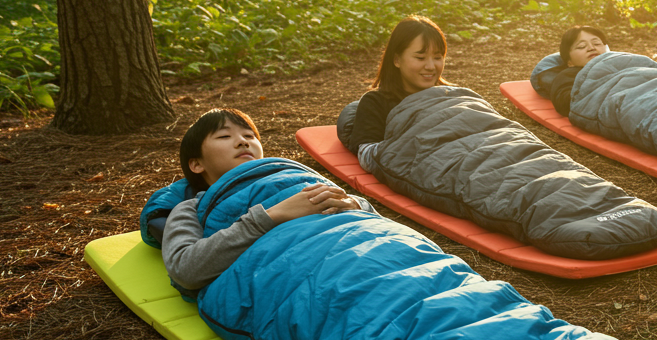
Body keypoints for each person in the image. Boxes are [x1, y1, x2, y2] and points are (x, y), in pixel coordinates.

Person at [161, 108, 368, 292]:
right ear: (197, 164)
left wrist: (354, 204)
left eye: (249, 136)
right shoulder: (191, 208)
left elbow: (374, 220)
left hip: (362, 246)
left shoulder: (289, 177)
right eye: (224, 136)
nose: (243, 141)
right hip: (314, 270)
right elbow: (185, 269)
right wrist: (272, 215)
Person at [343, 16, 448, 165]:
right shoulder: (376, 104)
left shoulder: (451, 96)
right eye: (420, 57)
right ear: (397, 60)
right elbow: (368, 154)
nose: (431, 66)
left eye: (438, 57)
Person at [548, 25, 609, 116]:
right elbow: (563, 103)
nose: (591, 48)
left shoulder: (622, 64)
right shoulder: (569, 74)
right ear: (570, 62)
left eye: (597, 44)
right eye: (581, 46)